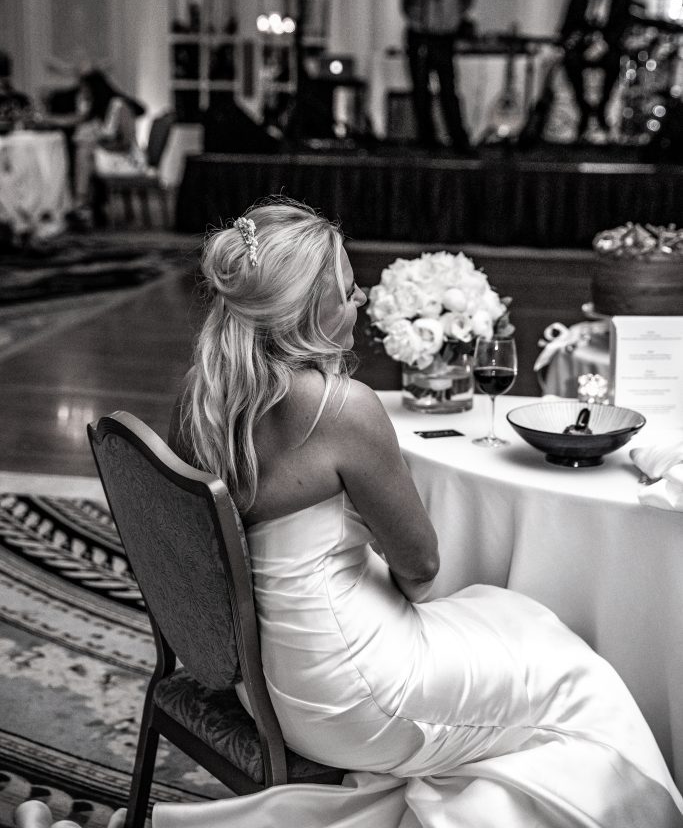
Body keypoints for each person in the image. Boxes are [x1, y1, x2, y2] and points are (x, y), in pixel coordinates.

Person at [155, 197, 683, 828]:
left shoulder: (203, 395)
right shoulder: (341, 409)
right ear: (307, 310)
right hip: (352, 695)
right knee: (577, 676)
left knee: (521, 619)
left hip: (261, 676)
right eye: (349, 289)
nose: (361, 298)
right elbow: (422, 565)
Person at [400, 0, 474, 153]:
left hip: (444, 37)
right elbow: (406, 6)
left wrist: (452, 20)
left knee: (448, 90)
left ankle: (457, 138)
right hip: (420, 36)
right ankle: (427, 139)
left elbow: (466, 0)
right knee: (421, 91)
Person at [558, 0, 633, 139]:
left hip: (609, 45)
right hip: (582, 44)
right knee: (570, 61)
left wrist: (604, 44)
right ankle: (584, 109)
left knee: (614, 63)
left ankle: (602, 109)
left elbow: (622, 27)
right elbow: (567, 23)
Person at [72, 69, 145, 218]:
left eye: (85, 89)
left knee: (84, 154)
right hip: (110, 156)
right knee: (84, 152)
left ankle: (82, 203)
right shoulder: (100, 110)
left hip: (128, 160)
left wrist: (102, 147)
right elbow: (75, 120)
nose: (83, 93)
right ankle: (90, 205)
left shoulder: (119, 106)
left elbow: (126, 142)